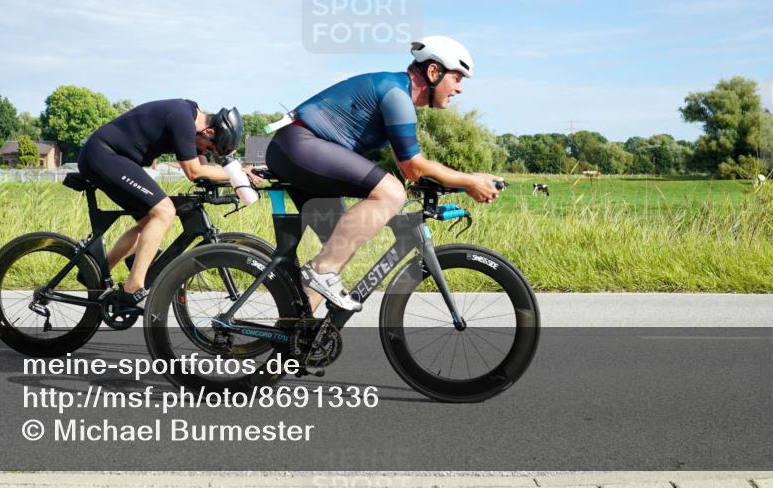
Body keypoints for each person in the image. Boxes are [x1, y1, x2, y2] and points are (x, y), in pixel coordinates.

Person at [265, 36, 503, 312]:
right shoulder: (396, 95)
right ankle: (320, 272)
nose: (459, 89)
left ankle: (296, 331)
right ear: (434, 72)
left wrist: (463, 182)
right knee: (390, 193)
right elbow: (413, 167)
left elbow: (412, 169)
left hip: (298, 149)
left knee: (339, 245)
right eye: (458, 78)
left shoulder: (396, 92)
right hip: (300, 145)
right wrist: (470, 180)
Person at [77, 100, 248, 311]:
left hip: (117, 159)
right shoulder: (182, 119)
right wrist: (238, 176)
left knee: (150, 221)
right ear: (209, 131)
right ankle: (133, 287)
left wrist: (236, 179)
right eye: (210, 147)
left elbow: (203, 170)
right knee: (164, 211)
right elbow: (194, 171)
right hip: (104, 155)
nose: (206, 151)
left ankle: (94, 273)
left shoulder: (194, 123)